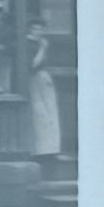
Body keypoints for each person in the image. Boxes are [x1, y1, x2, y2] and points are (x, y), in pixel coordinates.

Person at [28, 19, 62, 161]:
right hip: (34, 78)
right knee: (40, 112)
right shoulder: (30, 44)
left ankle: (50, 148)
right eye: (35, 29)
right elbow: (33, 65)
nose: (39, 32)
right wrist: (42, 49)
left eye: (41, 29)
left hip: (42, 78)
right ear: (30, 30)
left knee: (49, 112)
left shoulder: (39, 43)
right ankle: (42, 149)